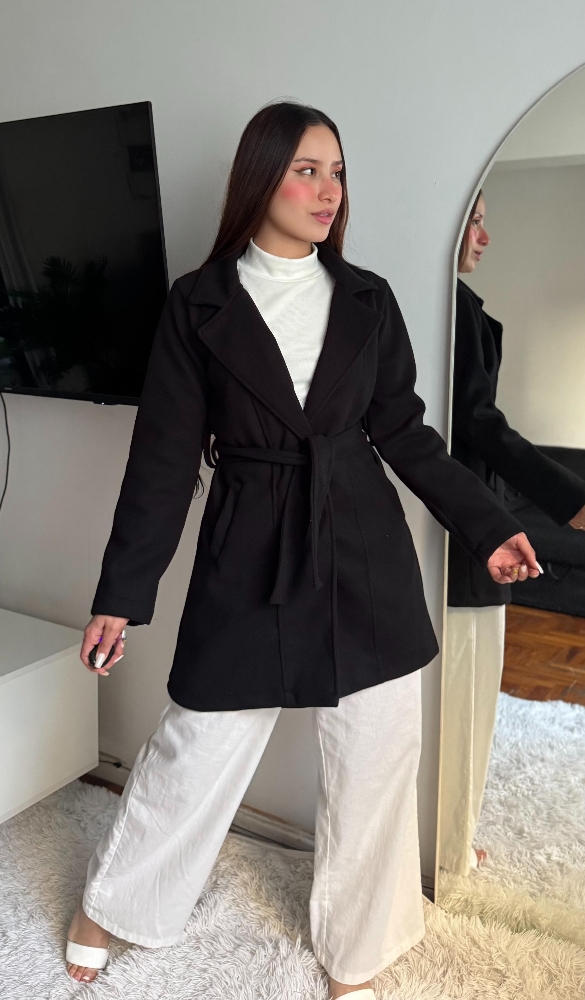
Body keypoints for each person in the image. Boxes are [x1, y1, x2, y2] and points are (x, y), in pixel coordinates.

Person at [65, 104, 540, 998]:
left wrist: (486, 525)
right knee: (198, 743)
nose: (328, 191)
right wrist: (120, 595)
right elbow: (162, 462)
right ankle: (118, 907)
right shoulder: (197, 303)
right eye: (306, 170)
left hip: (363, 545)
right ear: (260, 178)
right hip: (250, 540)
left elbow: (404, 434)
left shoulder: (368, 298)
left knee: (374, 755)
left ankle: (360, 948)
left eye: (337, 172)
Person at [439, 190, 585, 878]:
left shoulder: (442, 304)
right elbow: (478, 423)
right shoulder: (452, 307)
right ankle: (447, 844)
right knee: (464, 692)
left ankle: (447, 834)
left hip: (459, 517)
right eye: (476, 220)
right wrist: (569, 498)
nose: (484, 236)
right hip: (467, 523)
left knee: (461, 685)